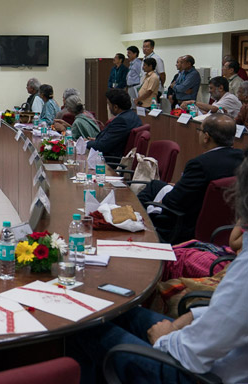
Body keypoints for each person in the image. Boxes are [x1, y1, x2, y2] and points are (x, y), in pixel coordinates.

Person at [69, 154, 248, 384]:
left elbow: (192, 355)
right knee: (112, 307)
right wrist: (195, 316)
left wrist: (165, 337)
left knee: (84, 325)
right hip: (219, 365)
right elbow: (235, 319)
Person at [137, 114, 244, 243]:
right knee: (155, 185)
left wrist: (161, 201)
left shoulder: (200, 164)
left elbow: (174, 202)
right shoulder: (243, 159)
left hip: (186, 225)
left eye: (200, 130)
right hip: (228, 223)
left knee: (147, 197)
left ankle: (134, 225)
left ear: (206, 137)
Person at [86, 89, 142, 158]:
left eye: (108, 104)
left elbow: (102, 146)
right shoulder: (133, 115)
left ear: (115, 107)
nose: (108, 107)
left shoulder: (121, 121)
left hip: (111, 160)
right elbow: (113, 139)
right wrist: (97, 140)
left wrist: (85, 143)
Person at [141, 39, 166, 111]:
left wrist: (160, 86)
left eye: (147, 47)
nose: (145, 49)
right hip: (145, 88)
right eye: (143, 47)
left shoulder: (157, 58)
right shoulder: (144, 58)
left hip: (153, 90)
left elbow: (162, 74)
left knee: (152, 109)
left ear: (152, 48)